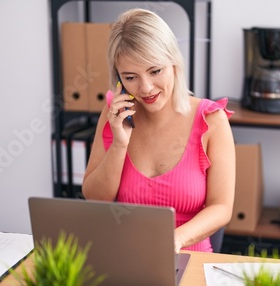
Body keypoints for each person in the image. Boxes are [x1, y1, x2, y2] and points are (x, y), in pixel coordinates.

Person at [82, 8, 235, 253]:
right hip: (125, 257)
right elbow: (95, 198)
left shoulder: (212, 120)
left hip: (189, 259)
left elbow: (222, 207)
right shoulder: (114, 113)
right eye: (131, 77)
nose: (146, 88)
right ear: (118, 79)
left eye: (155, 71)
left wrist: (174, 239)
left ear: (174, 63)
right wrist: (120, 144)